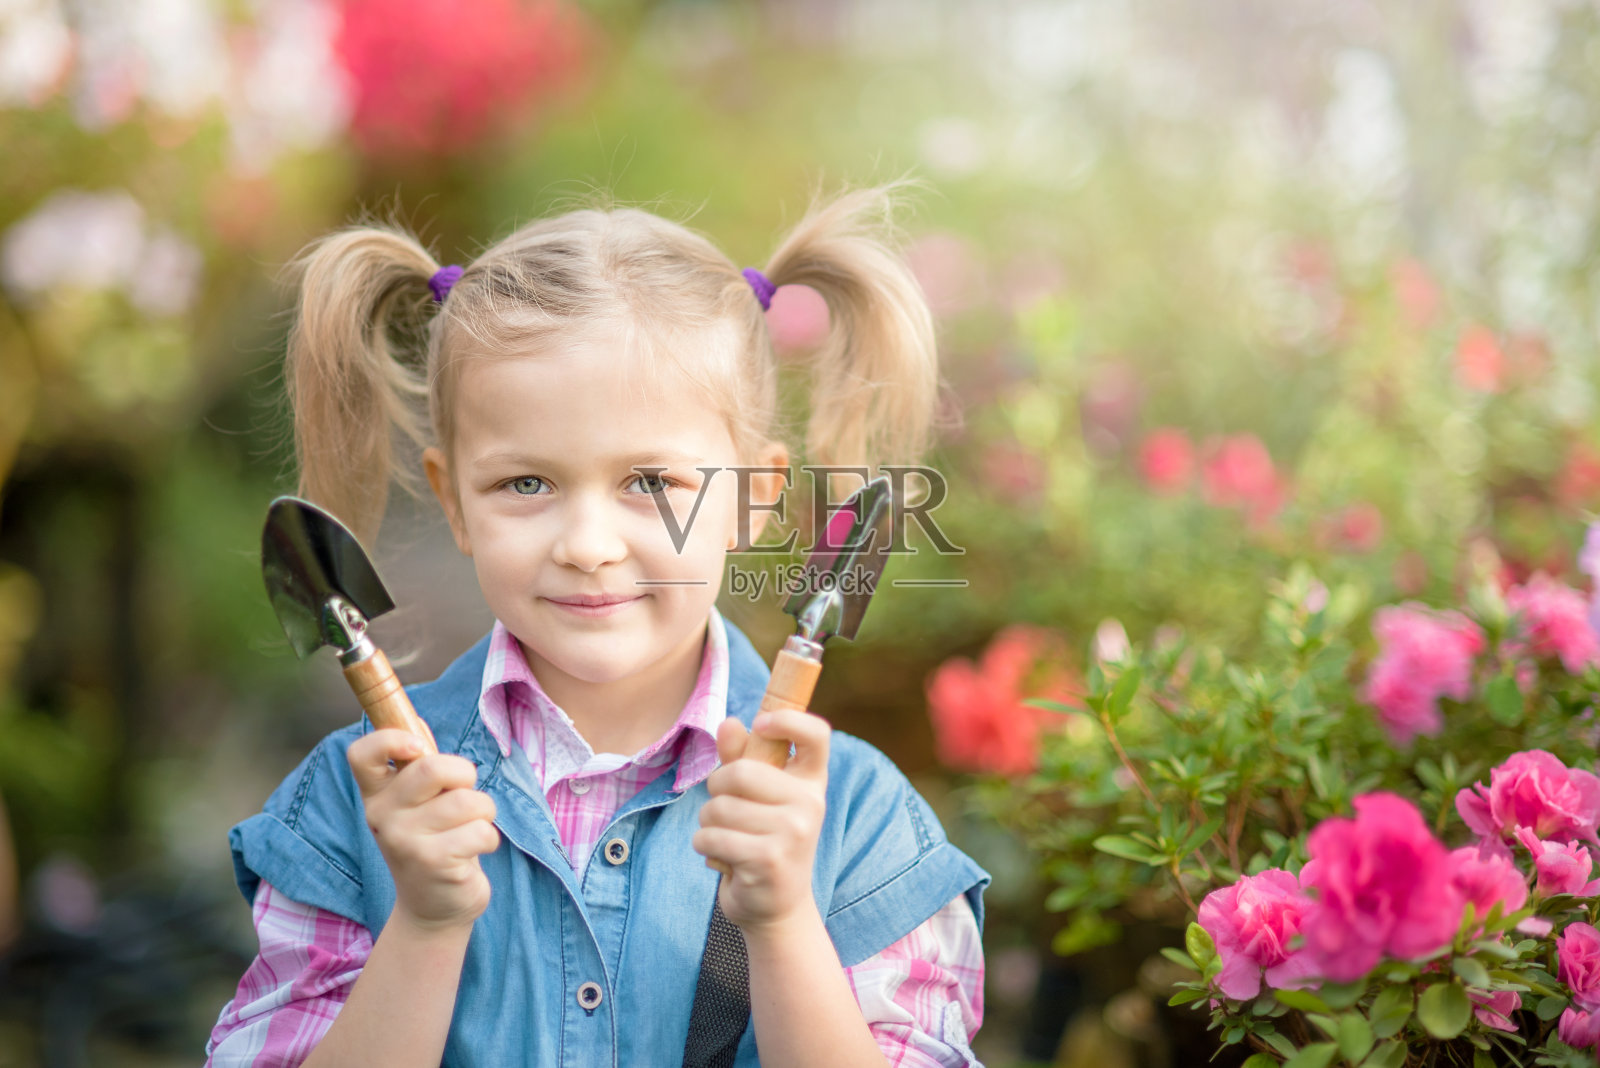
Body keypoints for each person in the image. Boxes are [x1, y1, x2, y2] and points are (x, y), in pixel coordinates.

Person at [204, 183, 990, 1068]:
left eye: (651, 483)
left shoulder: (859, 821)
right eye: (525, 484)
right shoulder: (352, 809)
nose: (586, 545)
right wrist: (423, 925)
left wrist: (782, 922)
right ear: (454, 500)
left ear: (754, 498)